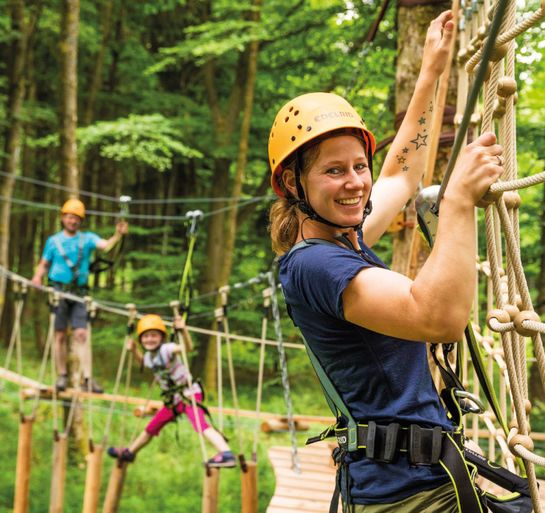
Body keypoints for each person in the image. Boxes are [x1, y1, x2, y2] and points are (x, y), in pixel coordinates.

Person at [268, 11, 507, 512]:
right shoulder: (314, 266)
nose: (356, 182)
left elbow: (401, 173)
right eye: (334, 171)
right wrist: (459, 200)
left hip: (421, 482)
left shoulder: (342, 238)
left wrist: (431, 73)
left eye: (359, 166)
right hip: (406, 496)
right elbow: (436, 317)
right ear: (295, 185)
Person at [107, 314, 236, 468]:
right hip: (173, 401)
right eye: (146, 336)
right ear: (141, 339)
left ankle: (227, 453)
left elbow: (187, 348)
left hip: (188, 394)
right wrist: (134, 350)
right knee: (152, 427)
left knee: (200, 424)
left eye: (154, 336)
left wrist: (184, 331)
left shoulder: (167, 349)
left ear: (162, 337)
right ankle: (131, 452)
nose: (150, 339)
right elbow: (143, 362)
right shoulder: (149, 356)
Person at [31, 198, 128, 392]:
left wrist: (118, 235)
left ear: (80, 221)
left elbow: (106, 246)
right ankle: (62, 375)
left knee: (82, 334)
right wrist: (37, 278)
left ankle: (87, 378)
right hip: (58, 290)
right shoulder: (54, 241)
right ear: (62, 218)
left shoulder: (88, 239)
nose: (72, 221)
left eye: (76, 218)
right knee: (59, 335)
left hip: (79, 294)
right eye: (69, 217)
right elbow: (44, 263)